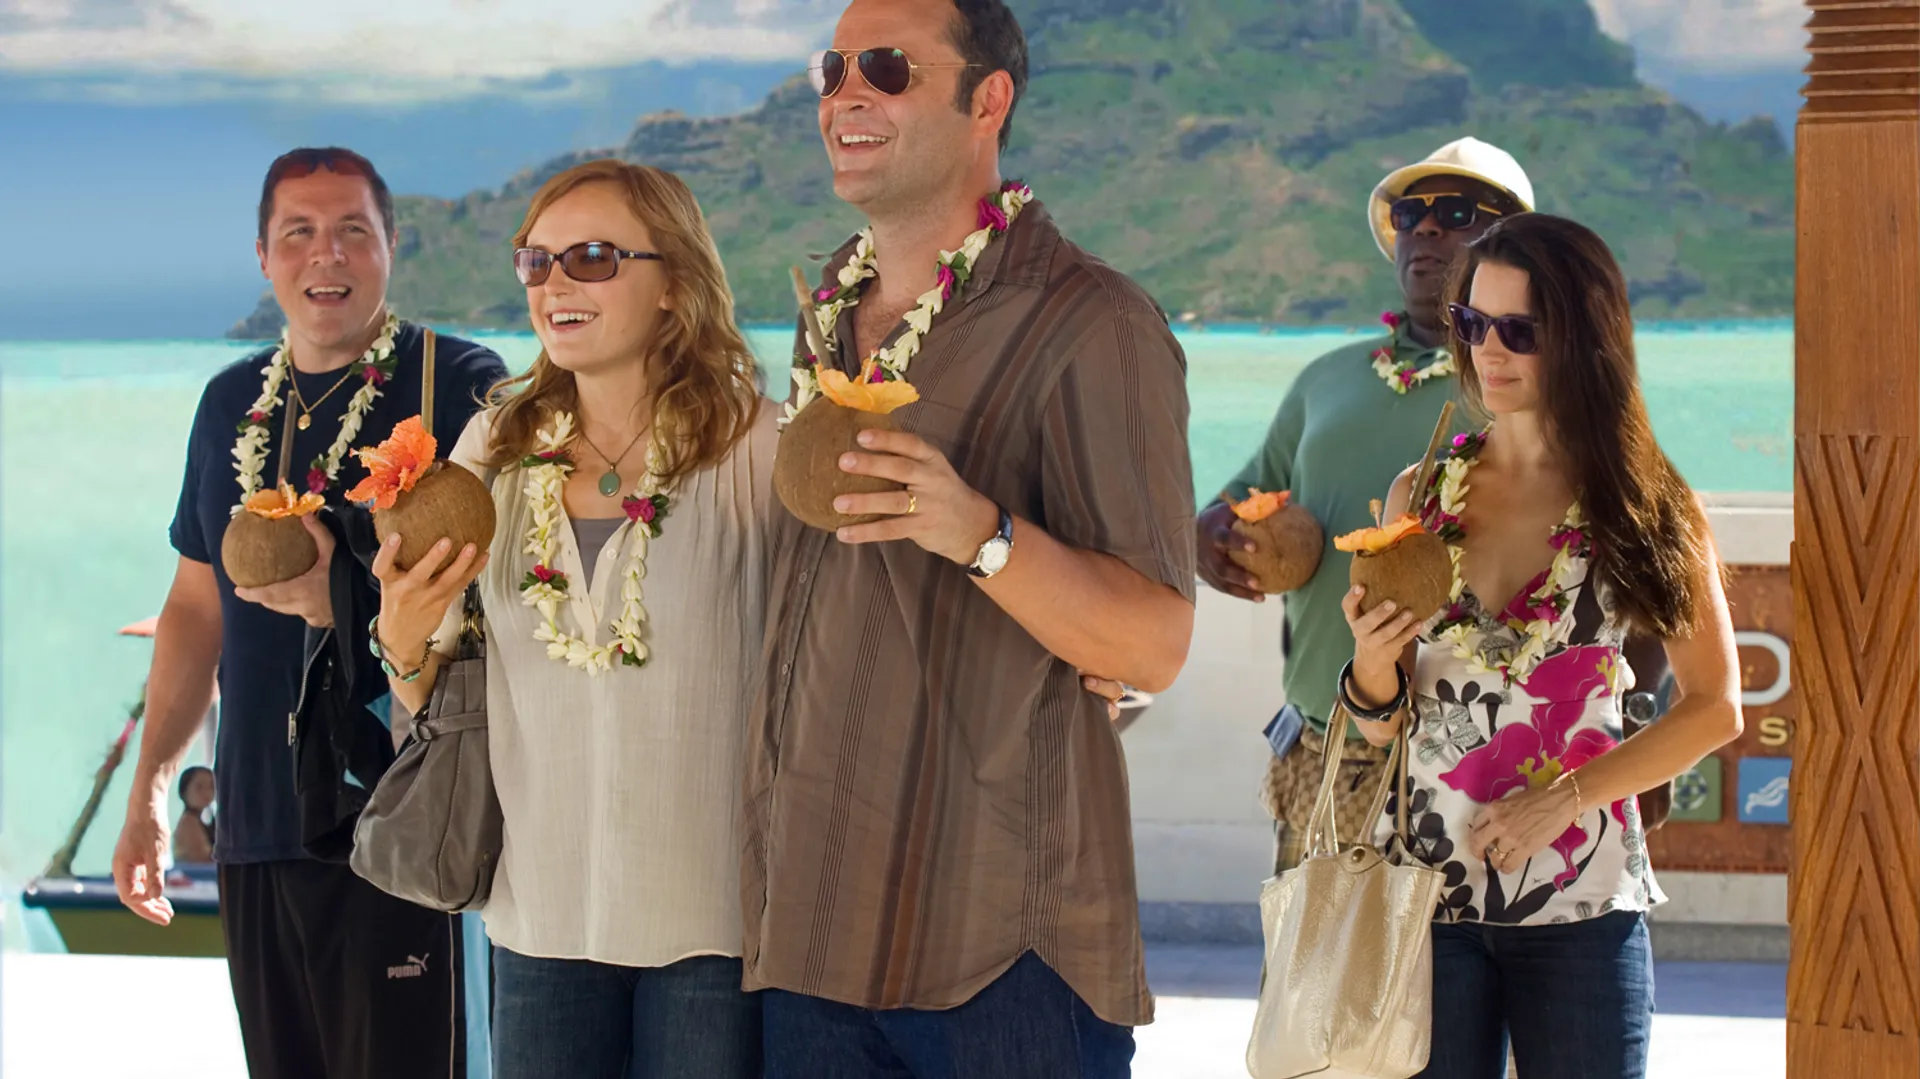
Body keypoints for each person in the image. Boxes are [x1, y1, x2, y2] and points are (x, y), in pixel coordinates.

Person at [744, 1, 1196, 1075]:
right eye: (832, 70)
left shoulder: (1093, 321)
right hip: (809, 931)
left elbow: (1153, 643)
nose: (847, 94)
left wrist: (981, 532)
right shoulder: (826, 316)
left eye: (887, 67)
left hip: (999, 950)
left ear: (988, 99)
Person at [110, 146, 508, 1079]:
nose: (326, 255)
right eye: (299, 233)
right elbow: (195, 608)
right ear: (263, 257)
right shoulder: (228, 403)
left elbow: (503, 598)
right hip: (257, 822)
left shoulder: (456, 383)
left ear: (391, 246)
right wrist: (149, 793)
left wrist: (343, 597)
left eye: (352, 231)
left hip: (407, 820)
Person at [368, 159, 770, 1078]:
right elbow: (431, 690)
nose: (554, 283)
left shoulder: (752, 443)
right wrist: (401, 631)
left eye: (590, 257)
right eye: (536, 261)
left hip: (715, 922)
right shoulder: (495, 446)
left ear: (672, 282)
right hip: (539, 915)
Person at [1339, 213, 1742, 1079]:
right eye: (1472, 323)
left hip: (1583, 906)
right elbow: (1383, 723)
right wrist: (1371, 660)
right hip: (1427, 902)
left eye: (1519, 330)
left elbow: (1716, 707)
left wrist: (1563, 800)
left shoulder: (1645, 505)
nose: (1489, 350)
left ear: (1583, 337)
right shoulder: (1419, 495)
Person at [1195, 137, 1535, 873]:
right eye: (1412, 214)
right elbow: (1239, 501)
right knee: (1310, 953)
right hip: (1323, 744)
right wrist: (1210, 536)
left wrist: (1638, 721)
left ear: (1509, 242)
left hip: (1467, 755)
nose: (1427, 229)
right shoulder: (1326, 379)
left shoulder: (1520, 387)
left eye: (1457, 212)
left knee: (1444, 957)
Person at [172, 765, 216, 864]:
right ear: (184, 791)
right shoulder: (188, 823)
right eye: (199, 787)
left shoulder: (201, 820)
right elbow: (203, 859)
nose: (206, 792)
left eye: (211, 787)